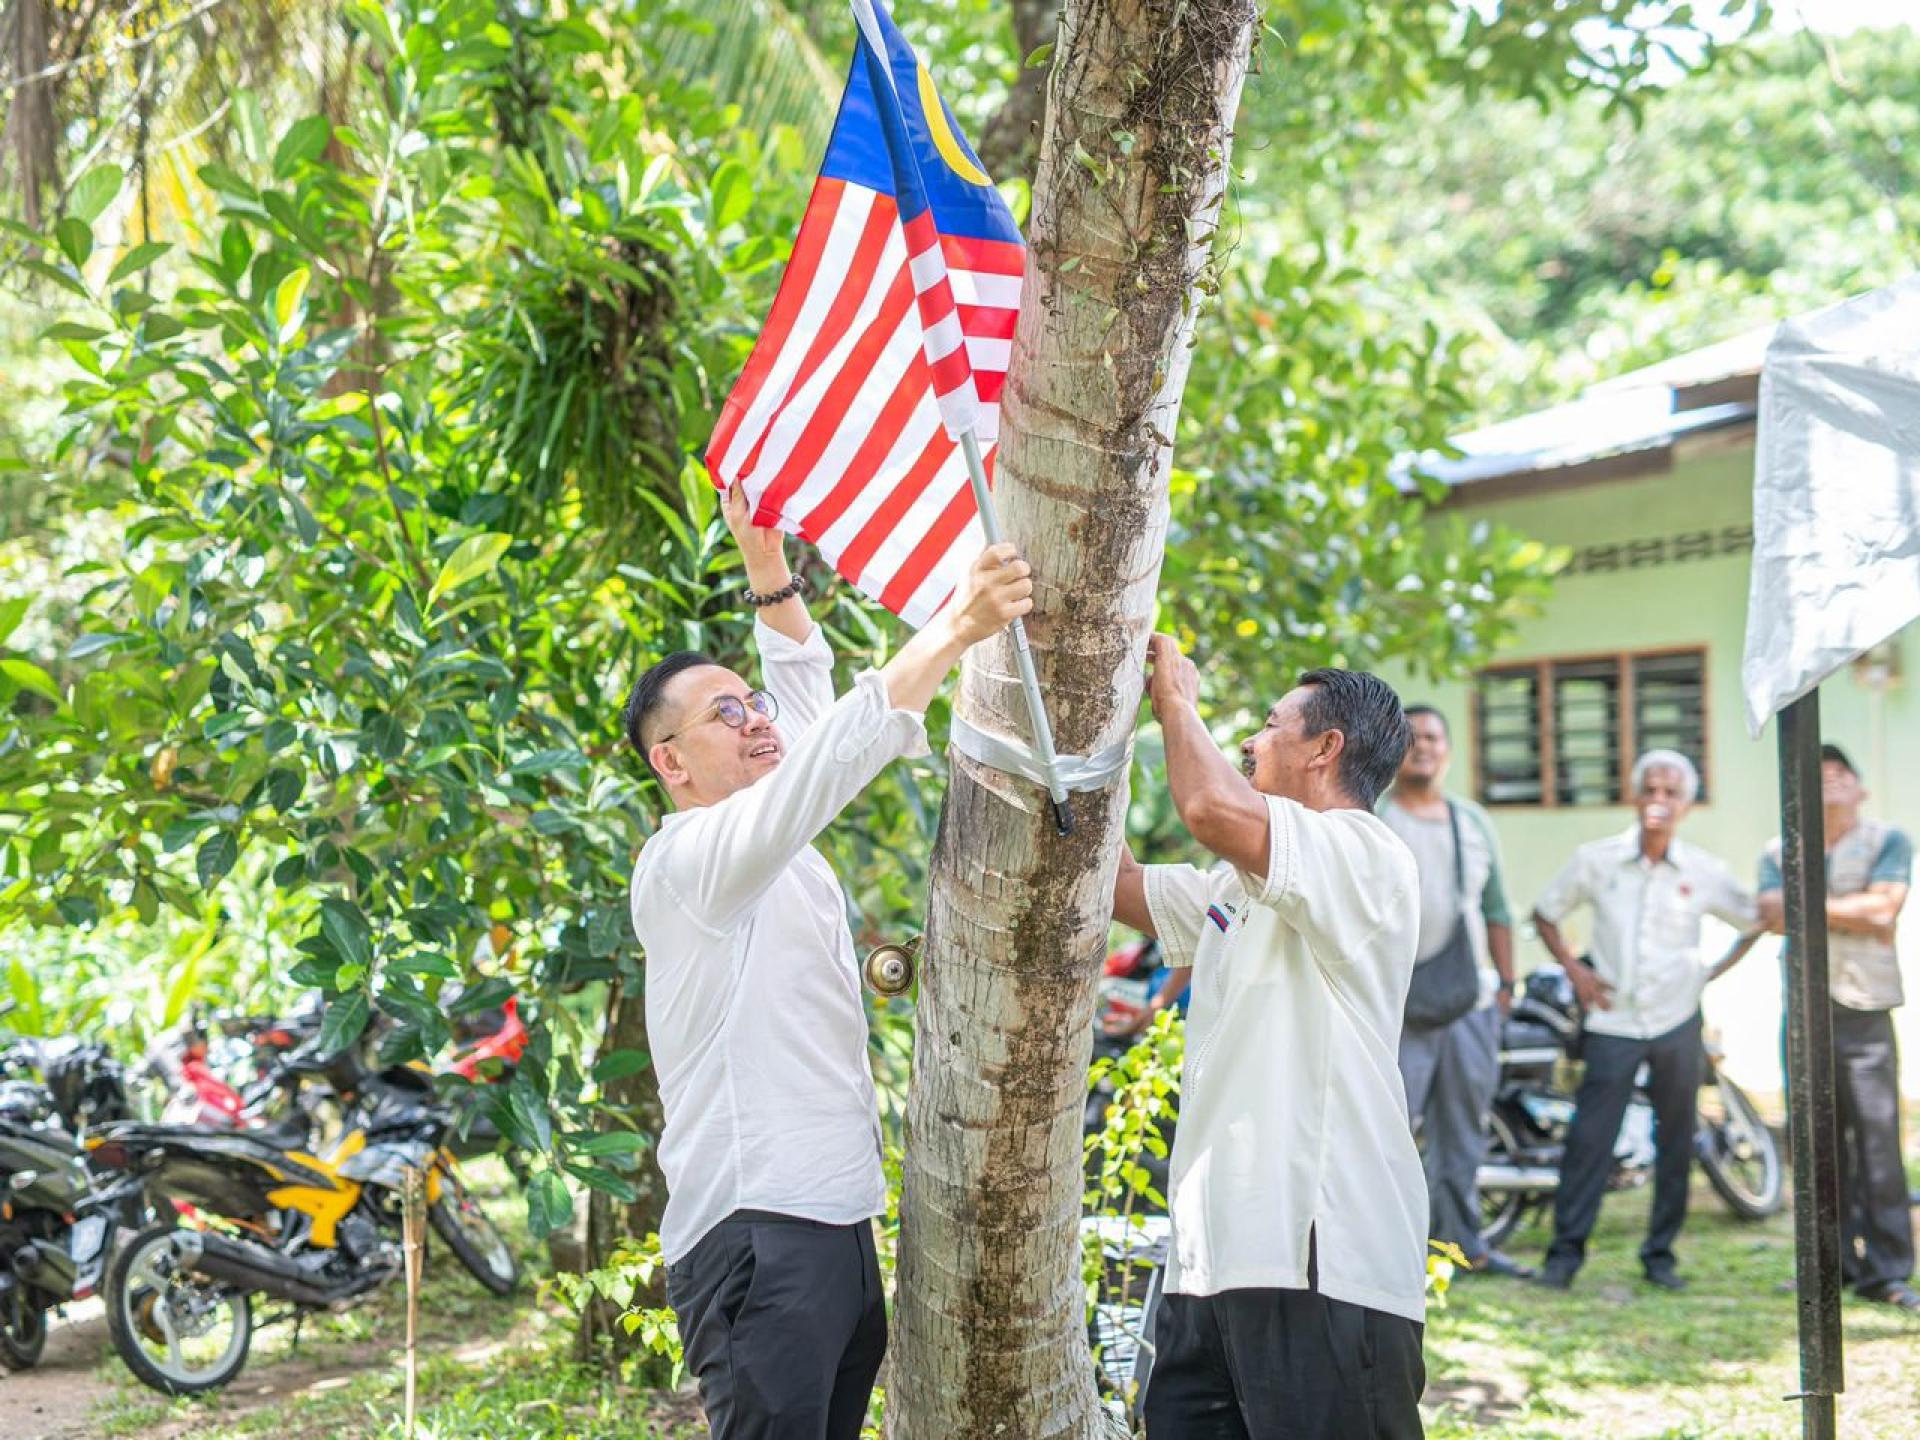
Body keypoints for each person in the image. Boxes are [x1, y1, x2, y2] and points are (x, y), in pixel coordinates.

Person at [626, 483, 1033, 1439]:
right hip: (756, 1230)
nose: (755, 719)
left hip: (837, 1225)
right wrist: (955, 629)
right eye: (725, 715)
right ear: (671, 765)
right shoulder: (689, 861)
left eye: (749, 702)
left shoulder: (777, 843)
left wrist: (766, 565)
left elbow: (804, 702)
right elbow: (831, 755)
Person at [1113, 636, 1428, 1439]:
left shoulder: (1366, 855)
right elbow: (1117, 885)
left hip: (1324, 1260)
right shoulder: (1236, 884)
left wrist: (1176, 700)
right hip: (1210, 1262)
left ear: (1326, 749)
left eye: (1268, 725)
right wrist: (1097, 730)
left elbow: (1210, 810)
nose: (1250, 740)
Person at [1529, 750, 1757, 1292]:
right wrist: (1576, 974)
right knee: (1590, 1139)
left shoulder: (1704, 871)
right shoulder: (1597, 860)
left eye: (1671, 792)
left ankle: (1660, 1255)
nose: (1659, 800)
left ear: (1686, 804)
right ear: (1635, 796)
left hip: (1677, 1020)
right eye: (1650, 789)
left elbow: (1752, 921)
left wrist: (1708, 973)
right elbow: (1546, 911)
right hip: (1613, 1022)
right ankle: (1564, 1257)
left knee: (1676, 1138)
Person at [1755, 744, 1918, 1313]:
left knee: (1877, 1143)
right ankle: (1830, 1268)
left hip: (1864, 1008)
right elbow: (1770, 913)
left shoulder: (1888, 840)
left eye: (1840, 774)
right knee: (1814, 1145)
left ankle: (1889, 1270)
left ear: (1860, 788)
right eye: (1817, 774)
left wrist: (1806, 906)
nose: (1828, 783)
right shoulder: (1782, 847)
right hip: (1803, 1011)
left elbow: (1884, 912)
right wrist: (1852, 909)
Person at [1381, 705, 1530, 1279]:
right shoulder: (1377, 815)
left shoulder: (1472, 823)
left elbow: (1496, 909)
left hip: (1470, 1002)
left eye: (1434, 736)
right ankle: (1386, 1253)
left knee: (1463, 1132)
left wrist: (1507, 985)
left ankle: (1465, 1248)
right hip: (1394, 1003)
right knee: (1389, 1128)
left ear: (1449, 749)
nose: (1424, 745)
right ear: (1394, 747)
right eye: (1412, 736)